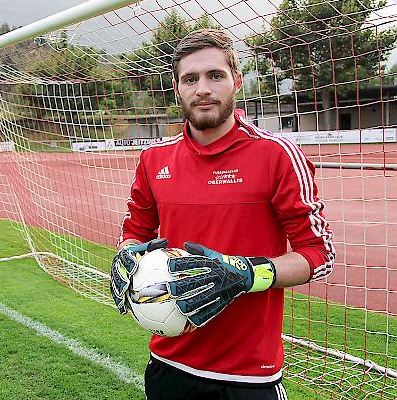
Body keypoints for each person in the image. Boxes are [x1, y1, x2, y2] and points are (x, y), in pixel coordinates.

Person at [110, 29, 335, 400]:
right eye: (190, 78)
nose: (203, 88)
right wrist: (125, 256)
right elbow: (135, 231)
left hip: (247, 378)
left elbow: (319, 255)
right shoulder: (154, 159)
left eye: (215, 75)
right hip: (168, 365)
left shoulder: (276, 155)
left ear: (237, 81)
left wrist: (247, 274)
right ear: (177, 87)